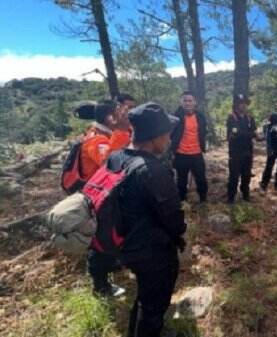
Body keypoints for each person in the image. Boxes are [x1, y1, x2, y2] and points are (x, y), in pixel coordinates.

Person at [106, 102, 187, 337]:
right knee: (154, 304)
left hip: (124, 241)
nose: (170, 141)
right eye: (167, 136)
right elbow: (174, 220)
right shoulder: (153, 170)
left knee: (145, 295)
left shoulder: (116, 157)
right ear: (154, 138)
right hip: (152, 251)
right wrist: (180, 234)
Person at [81, 97, 135, 297]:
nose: (124, 114)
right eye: (120, 112)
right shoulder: (95, 138)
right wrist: (122, 131)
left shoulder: (107, 134)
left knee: (112, 234)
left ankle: (114, 262)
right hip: (97, 198)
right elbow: (109, 160)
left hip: (107, 194)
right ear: (110, 117)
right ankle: (100, 286)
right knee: (100, 240)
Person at [170, 91, 209, 203]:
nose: (187, 103)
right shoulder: (175, 117)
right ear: (181, 102)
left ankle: (203, 199)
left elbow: (203, 132)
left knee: (201, 179)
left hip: (197, 153)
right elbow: (170, 134)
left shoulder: (200, 117)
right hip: (181, 154)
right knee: (181, 180)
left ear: (195, 102)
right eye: (185, 100)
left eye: (190, 100)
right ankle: (182, 201)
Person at [226, 94, 257, 203]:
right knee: (234, 176)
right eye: (240, 103)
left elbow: (254, 131)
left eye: (245, 103)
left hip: (248, 150)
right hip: (235, 152)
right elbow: (235, 133)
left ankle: (245, 195)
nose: (243, 105)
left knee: (246, 175)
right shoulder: (231, 117)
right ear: (236, 105)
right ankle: (230, 198)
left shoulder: (249, 117)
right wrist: (250, 134)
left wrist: (250, 134)